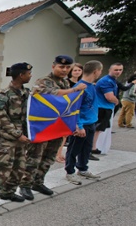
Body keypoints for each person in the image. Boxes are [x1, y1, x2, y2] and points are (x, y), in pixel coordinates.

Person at [19, 55, 87, 198]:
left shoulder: (65, 83)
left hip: (56, 127)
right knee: (34, 157)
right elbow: (54, 95)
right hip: (41, 126)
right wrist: (75, 90)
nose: (64, 70)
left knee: (49, 157)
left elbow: (68, 106)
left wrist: (72, 124)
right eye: (61, 67)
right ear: (53, 66)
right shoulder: (44, 81)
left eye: (67, 67)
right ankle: (25, 185)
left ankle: (38, 182)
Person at [0, 62, 32, 210]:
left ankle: (8, 192)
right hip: (8, 138)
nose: (30, 76)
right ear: (21, 75)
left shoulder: (27, 94)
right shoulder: (3, 95)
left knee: (19, 167)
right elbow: (2, 119)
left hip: (23, 137)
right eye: (28, 73)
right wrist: (17, 134)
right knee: (3, 167)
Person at [65, 60, 103, 184]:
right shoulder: (80, 88)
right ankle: (70, 171)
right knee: (74, 149)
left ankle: (82, 168)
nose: (100, 73)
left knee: (86, 149)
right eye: (100, 71)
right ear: (96, 71)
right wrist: (79, 126)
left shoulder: (92, 86)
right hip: (82, 124)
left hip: (91, 122)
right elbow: (74, 109)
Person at [92, 63, 128, 154]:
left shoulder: (112, 80)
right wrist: (117, 102)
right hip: (102, 108)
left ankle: (94, 147)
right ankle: (92, 148)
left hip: (104, 107)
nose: (118, 72)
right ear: (110, 70)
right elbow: (109, 97)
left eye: (120, 70)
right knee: (97, 129)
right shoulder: (107, 81)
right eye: (116, 70)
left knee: (100, 129)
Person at [56, 62, 84, 163]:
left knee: (67, 133)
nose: (77, 72)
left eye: (79, 70)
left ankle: (61, 153)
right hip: (64, 110)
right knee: (62, 133)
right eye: (75, 70)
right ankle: (57, 154)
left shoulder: (82, 83)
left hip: (75, 109)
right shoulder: (66, 83)